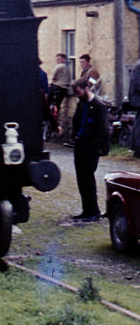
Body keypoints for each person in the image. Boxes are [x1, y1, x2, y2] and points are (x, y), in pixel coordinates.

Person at [70, 78, 110, 222]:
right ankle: (86, 210)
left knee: (88, 179)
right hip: (80, 144)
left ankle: (93, 211)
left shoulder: (99, 106)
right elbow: (76, 121)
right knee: (81, 179)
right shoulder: (81, 104)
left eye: (79, 91)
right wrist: (75, 136)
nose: (77, 94)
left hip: (90, 146)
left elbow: (103, 130)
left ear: (86, 88)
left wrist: (97, 147)